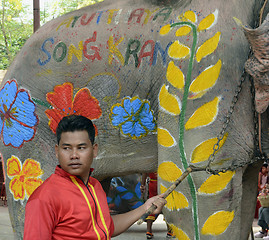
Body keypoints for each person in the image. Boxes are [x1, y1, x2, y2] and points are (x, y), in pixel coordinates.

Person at [23, 115, 166, 239]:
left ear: (94, 149)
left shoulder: (95, 186)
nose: (74, 155)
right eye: (66, 148)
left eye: (81, 147)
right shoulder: (43, 198)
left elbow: (106, 227)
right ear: (57, 151)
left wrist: (144, 208)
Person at [141, 172, 175, 239]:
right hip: (164, 183)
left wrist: (143, 184)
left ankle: (149, 231)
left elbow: (145, 172)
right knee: (167, 205)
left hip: (153, 183)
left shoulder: (150, 162)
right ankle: (170, 232)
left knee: (152, 205)